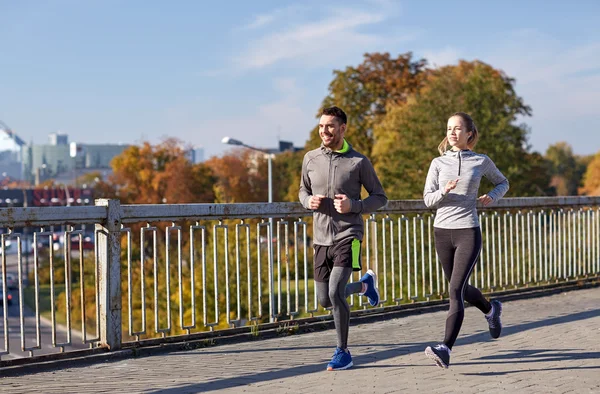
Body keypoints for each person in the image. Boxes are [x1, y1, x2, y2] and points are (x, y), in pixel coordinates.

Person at [299, 106, 388, 371]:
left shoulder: (358, 162)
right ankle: (364, 286)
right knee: (325, 300)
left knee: (336, 291)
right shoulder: (310, 158)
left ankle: (343, 351)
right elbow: (302, 190)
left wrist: (354, 206)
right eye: (321, 126)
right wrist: (308, 201)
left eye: (329, 126)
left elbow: (380, 197)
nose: (324, 131)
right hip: (320, 238)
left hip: (350, 235)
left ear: (342, 129)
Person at [423, 112, 509, 369]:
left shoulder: (481, 161)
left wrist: (492, 196)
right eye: (449, 128)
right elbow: (427, 199)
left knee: (454, 291)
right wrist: (443, 191)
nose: (452, 133)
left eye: (458, 129)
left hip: (467, 231)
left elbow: (503, 182)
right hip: (442, 231)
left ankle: (445, 348)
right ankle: (490, 309)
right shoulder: (437, 163)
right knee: (458, 287)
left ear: (469, 133)